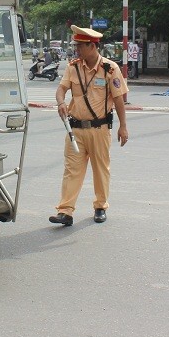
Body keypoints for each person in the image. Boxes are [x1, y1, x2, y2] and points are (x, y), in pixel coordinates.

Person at [49, 25, 129, 226]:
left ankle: (100, 206)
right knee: (71, 171)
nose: (77, 50)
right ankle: (65, 211)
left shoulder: (110, 69)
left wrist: (123, 126)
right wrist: (60, 103)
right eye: (76, 46)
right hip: (75, 129)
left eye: (81, 46)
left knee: (101, 169)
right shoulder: (73, 67)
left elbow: (119, 99)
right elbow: (61, 89)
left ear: (92, 46)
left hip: (100, 129)